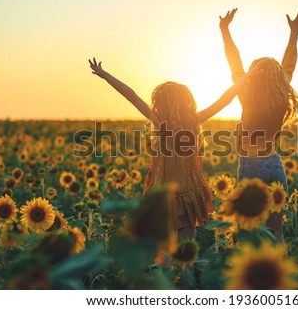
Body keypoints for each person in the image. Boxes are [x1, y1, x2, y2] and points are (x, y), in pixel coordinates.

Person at [88, 58, 260, 242]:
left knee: (163, 244)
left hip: (162, 190)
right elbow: (224, 100)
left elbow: (131, 95)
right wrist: (246, 77)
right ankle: (185, 269)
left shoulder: (159, 121)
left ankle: (164, 270)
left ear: (160, 102)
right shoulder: (193, 121)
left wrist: (106, 76)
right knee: (186, 241)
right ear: (187, 102)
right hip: (188, 188)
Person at [219, 7, 298, 242]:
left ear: (253, 76)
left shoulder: (247, 96)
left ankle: (247, 276)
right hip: (275, 166)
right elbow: (289, 64)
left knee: (246, 231)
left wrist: (224, 30)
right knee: (276, 231)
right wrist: (294, 34)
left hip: (252, 167)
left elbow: (234, 62)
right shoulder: (281, 96)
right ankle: (280, 274)